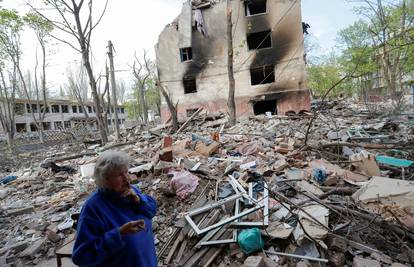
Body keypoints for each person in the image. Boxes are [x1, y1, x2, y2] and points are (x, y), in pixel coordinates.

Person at [72, 151, 157, 267]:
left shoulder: (131, 192)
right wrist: (119, 234)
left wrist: (139, 201)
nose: (127, 178)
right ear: (105, 179)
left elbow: (152, 210)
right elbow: (82, 257)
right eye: (119, 175)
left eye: (126, 172)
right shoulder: (94, 207)